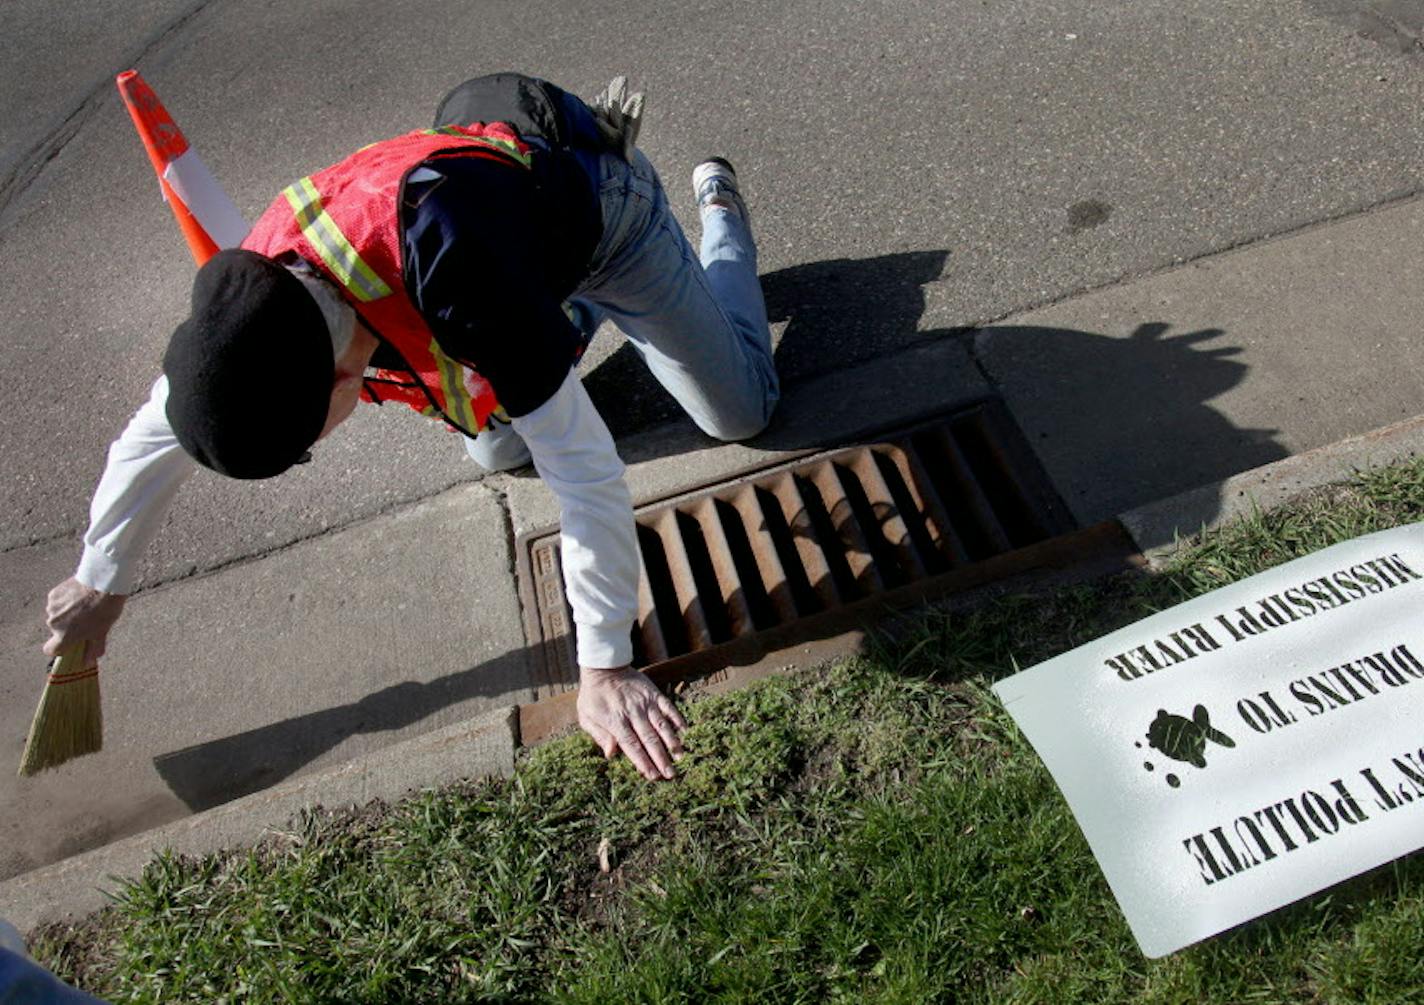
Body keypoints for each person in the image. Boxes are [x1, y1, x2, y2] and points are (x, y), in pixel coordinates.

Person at [41, 73, 779, 783]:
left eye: (303, 450)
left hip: (601, 216)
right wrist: (99, 579)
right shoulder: (253, 304)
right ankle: (550, 335)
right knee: (498, 447)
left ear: (340, 383)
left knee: (742, 411)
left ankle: (717, 220)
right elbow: (156, 431)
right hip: (507, 243)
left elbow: (588, 475)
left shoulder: (460, 281)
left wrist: (606, 667)